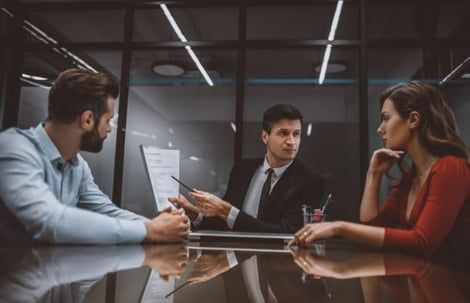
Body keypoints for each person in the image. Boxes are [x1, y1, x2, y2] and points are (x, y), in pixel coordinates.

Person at [0, 68, 189, 244]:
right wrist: (151, 230)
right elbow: (49, 221)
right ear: (87, 119)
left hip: (46, 273)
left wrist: (161, 225)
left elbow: (108, 212)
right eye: (108, 120)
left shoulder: (77, 165)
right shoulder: (14, 148)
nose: (109, 129)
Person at [292, 81, 470, 257]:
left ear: (413, 120)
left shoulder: (451, 167)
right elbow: (371, 232)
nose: (380, 129)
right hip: (423, 282)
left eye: (386, 118)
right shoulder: (411, 179)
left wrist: (340, 227)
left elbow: (422, 242)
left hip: (451, 284)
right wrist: (374, 174)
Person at [170, 104, 324, 233]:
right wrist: (194, 213)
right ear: (265, 136)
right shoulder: (242, 170)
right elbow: (223, 223)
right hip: (234, 263)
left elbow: (286, 232)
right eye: (283, 133)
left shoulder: (309, 181)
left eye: (296, 134)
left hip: (277, 265)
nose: (292, 142)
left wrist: (226, 210)